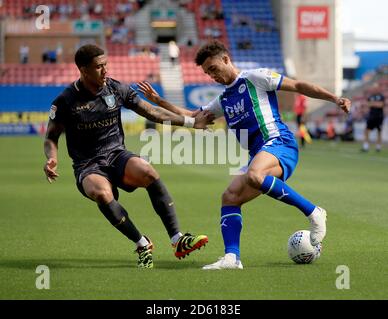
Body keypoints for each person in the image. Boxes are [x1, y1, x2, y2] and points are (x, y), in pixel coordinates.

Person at [137, 41, 351, 270]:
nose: (212, 76)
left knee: (254, 174)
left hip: (279, 142)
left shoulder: (255, 77)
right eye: (208, 73)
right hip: (260, 154)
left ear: (226, 59)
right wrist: (159, 101)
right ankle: (232, 258)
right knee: (230, 196)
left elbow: (298, 85)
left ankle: (314, 212)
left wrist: (334, 98)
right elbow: (193, 116)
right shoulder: (223, 100)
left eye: (214, 69)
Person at [43, 44, 214, 269]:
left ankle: (177, 239)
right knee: (102, 194)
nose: (105, 70)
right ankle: (142, 244)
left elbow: (152, 111)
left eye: (106, 65)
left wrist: (192, 122)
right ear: (83, 70)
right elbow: (51, 137)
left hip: (116, 154)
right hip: (88, 165)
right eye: (98, 67)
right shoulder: (65, 100)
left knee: (148, 171)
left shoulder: (116, 89)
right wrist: (51, 158)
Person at [361, 85, 385, 152]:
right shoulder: (370, 97)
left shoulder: (381, 96)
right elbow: (368, 104)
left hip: (379, 117)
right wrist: (375, 104)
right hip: (371, 116)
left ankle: (378, 147)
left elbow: (381, 105)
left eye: (376, 88)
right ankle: (366, 146)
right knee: (366, 131)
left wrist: (372, 103)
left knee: (379, 131)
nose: (374, 90)